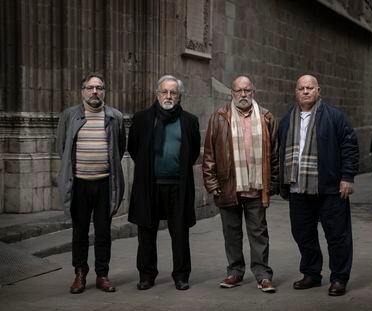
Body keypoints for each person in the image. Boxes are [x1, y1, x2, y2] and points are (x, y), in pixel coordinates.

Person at [278, 74, 359, 296]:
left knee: (337, 235)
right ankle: (312, 273)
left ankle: (339, 278)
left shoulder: (334, 117)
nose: (305, 91)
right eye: (301, 88)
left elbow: (349, 147)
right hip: (298, 188)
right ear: (296, 92)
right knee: (302, 233)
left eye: (310, 88)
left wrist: (347, 177)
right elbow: (280, 153)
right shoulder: (286, 120)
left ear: (318, 90)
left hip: (330, 188)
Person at [202, 75, 278, 293]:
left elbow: (274, 155)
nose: (243, 94)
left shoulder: (266, 117)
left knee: (258, 232)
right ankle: (235, 271)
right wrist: (212, 182)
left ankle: (263, 274)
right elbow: (209, 154)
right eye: (238, 91)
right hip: (228, 186)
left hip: (256, 188)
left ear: (253, 92)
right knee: (231, 232)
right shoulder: (218, 117)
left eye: (247, 90)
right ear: (232, 93)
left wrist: (272, 184)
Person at [128, 75, 200, 291]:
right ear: (156, 94)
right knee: (146, 232)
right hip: (149, 185)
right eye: (164, 92)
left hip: (178, 186)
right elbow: (134, 149)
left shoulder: (189, 121)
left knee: (180, 233)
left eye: (173, 92)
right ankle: (147, 275)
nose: (168, 96)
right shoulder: (142, 119)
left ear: (179, 96)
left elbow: (193, 152)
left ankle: (181, 275)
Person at [56, 73, 126, 294]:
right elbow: (62, 148)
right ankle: (80, 273)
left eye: (99, 87)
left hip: (104, 183)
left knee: (104, 231)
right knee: (80, 231)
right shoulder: (69, 116)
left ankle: (102, 275)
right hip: (80, 185)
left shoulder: (115, 116)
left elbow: (119, 148)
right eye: (90, 87)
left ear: (104, 91)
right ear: (83, 91)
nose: (95, 91)